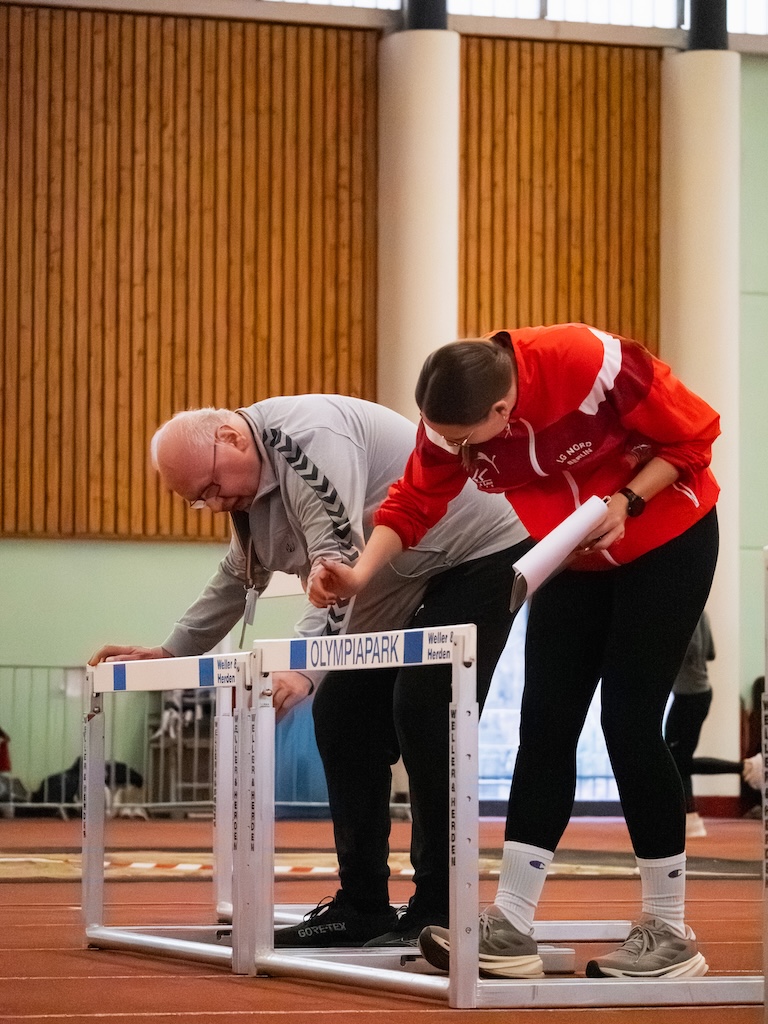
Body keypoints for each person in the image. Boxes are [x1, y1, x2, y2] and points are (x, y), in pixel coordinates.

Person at [309, 323, 720, 979]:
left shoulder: (589, 363)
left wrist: (628, 500)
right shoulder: (454, 415)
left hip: (666, 537)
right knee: (545, 726)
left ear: (502, 408)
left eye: (463, 440)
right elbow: (413, 501)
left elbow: (695, 435)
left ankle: (668, 930)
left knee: (629, 722)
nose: (454, 449)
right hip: (570, 553)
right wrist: (359, 575)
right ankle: (511, 923)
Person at [89, 394, 531, 947]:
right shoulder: (248, 486)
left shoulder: (308, 442)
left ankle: (438, 906)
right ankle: (362, 906)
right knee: (343, 715)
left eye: (211, 486)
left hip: (478, 554)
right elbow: (238, 575)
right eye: (199, 500)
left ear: (231, 437)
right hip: (400, 574)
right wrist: (173, 650)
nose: (214, 502)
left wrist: (302, 666)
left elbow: (336, 565)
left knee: (424, 708)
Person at [664, 611, 716, 839]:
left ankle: (746, 768)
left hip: (690, 696)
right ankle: (689, 816)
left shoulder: (686, 612)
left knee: (677, 758)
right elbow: (711, 653)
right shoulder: (702, 613)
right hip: (696, 693)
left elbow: (692, 649)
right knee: (678, 757)